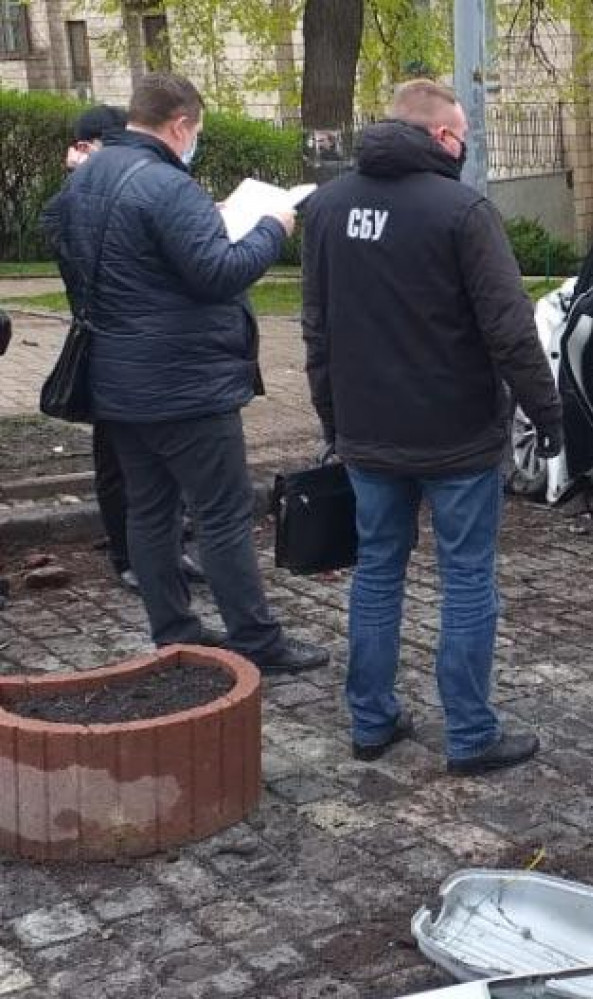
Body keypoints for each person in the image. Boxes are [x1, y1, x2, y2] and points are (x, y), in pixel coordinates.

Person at [301, 80, 563, 775]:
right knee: (468, 578)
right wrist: (548, 412)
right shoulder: (463, 211)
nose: (466, 146)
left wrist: (333, 419)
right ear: (443, 137)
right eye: (464, 135)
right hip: (457, 437)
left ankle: (371, 720)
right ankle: (470, 734)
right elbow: (511, 330)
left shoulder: (326, 206)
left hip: (367, 433)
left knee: (376, 571)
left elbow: (316, 328)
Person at [45, 72, 328, 675]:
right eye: (194, 131)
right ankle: (257, 641)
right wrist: (271, 227)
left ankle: (173, 632)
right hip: (185, 387)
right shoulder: (166, 186)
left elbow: (97, 248)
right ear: (179, 125)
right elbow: (219, 273)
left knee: (149, 511)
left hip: (117, 382)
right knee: (222, 513)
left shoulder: (89, 175)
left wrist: (206, 219)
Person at [45, 104, 203, 593]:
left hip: (157, 349)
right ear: (85, 148)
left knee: (165, 458)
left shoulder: (142, 185)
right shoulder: (75, 196)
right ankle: (126, 553)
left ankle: (172, 545)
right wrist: (78, 181)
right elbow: (65, 245)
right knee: (116, 458)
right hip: (105, 345)